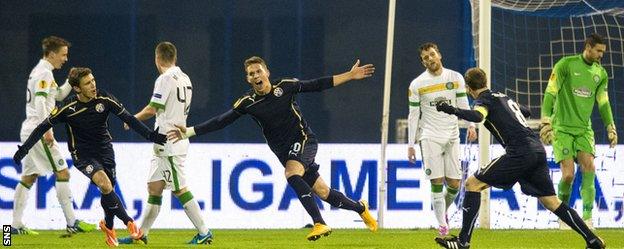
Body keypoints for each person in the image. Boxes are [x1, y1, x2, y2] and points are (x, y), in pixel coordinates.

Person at [166, 56, 378, 241]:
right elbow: (222, 121)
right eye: (251, 74)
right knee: (323, 192)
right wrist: (190, 131)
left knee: (292, 173)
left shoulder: (285, 86)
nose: (256, 75)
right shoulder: (247, 102)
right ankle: (361, 208)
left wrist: (350, 75)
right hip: (285, 152)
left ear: (267, 72)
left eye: (259, 71)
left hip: (304, 140)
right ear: (248, 79)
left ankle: (319, 222)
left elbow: (318, 84)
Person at [434, 67, 605, 249]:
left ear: (468, 89)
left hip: (519, 152)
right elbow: (526, 112)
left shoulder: (483, 100)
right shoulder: (503, 97)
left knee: (472, 184)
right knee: (551, 201)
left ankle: (463, 242)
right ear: (485, 82)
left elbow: (478, 116)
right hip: (537, 150)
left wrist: (450, 109)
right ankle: (592, 240)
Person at [13, 67, 167, 247]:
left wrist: (151, 136)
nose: (93, 85)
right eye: (88, 83)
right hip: (83, 155)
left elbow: (129, 119)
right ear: (77, 88)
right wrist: (24, 149)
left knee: (108, 190)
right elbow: (41, 127)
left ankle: (108, 227)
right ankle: (129, 223)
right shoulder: (67, 108)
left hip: (105, 151)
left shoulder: (105, 99)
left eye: (93, 80)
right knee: (105, 184)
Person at [118, 42, 211, 245]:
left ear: (157, 58)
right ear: (175, 57)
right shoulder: (185, 77)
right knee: (154, 187)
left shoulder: (165, 78)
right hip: (167, 142)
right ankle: (141, 233)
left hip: (170, 142)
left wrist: (131, 120)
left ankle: (204, 232)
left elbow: (153, 108)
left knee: (179, 189)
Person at [12, 36, 96, 235]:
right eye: (63, 54)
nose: (65, 59)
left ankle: (13, 227)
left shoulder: (42, 71)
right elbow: (41, 102)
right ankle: (72, 222)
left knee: (29, 177)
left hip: (30, 129)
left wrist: (69, 80)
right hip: (38, 130)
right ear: (51, 54)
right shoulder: (44, 72)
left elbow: (56, 95)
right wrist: (47, 129)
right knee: (62, 172)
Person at [540, 33, 617, 229]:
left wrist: (610, 126)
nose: (601, 55)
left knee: (589, 167)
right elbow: (550, 93)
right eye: (598, 50)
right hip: (562, 129)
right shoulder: (565, 65)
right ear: (588, 47)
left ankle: (588, 218)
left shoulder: (601, 74)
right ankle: (564, 216)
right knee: (568, 175)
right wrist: (546, 122)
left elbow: (604, 103)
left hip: (584, 130)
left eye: (603, 51)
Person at [407, 42, 477, 236]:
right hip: (429, 136)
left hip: (452, 135)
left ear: (439, 55)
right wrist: (411, 145)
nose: (430, 59)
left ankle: (441, 210)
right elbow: (413, 115)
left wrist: (472, 125)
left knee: (454, 184)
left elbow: (463, 103)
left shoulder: (455, 78)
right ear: (423, 63)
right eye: (425, 58)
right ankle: (442, 225)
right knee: (437, 181)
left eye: (432, 55)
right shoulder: (417, 85)